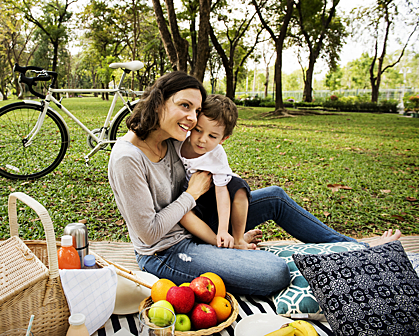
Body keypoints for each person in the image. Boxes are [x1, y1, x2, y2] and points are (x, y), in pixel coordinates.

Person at [107, 71, 401, 296]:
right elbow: (147, 235)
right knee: (274, 273)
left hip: (195, 221)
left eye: (196, 111)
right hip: (166, 251)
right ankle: (231, 248)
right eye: (184, 105)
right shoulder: (127, 159)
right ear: (159, 101)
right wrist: (193, 196)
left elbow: (216, 164)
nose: (191, 119)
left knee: (274, 196)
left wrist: (228, 228)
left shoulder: (175, 136)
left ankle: (362, 250)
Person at [173, 94, 253, 250]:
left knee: (239, 187)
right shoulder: (179, 139)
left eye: (212, 136)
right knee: (183, 214)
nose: (202, 139)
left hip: (209, 197)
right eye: (198, 130)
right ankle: (217, 241)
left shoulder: (216, 155)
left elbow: (221, 192)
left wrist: (223, 228)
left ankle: (238, 239)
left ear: (223, 139)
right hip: (189, 197)